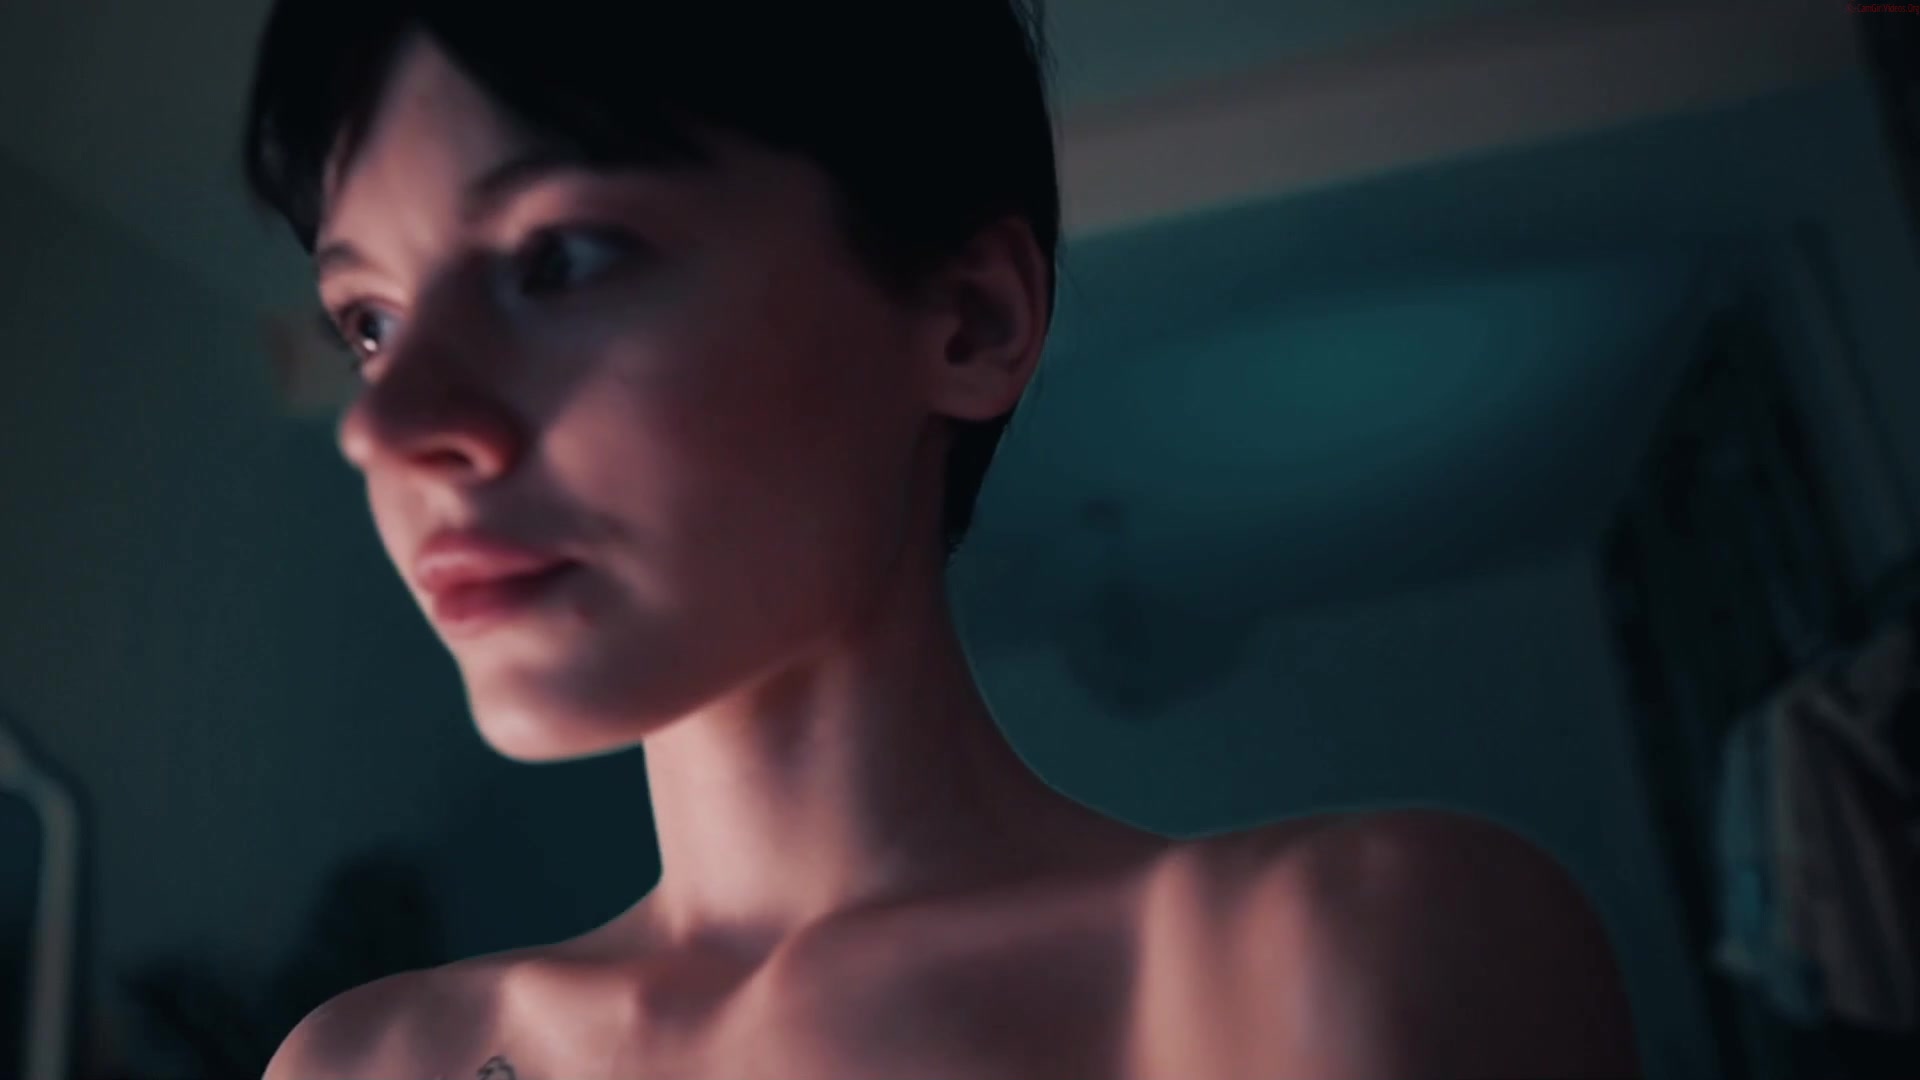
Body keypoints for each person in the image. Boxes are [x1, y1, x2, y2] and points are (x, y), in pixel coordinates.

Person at [242, 2, 1641, 1077]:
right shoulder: (365, 1065)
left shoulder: (1343, 961)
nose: (389, 425)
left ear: (970, 319)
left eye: (562, 257)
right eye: (369, 322)